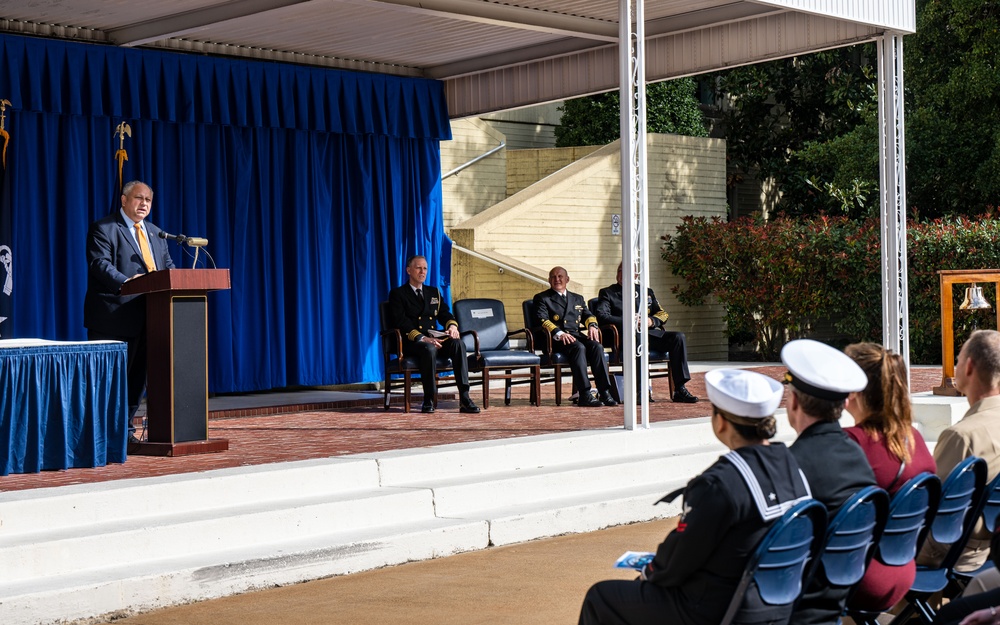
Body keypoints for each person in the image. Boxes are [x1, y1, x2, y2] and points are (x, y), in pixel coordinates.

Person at [577, 368, 812, 625]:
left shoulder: (719, 484)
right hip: (780, 604)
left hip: (719, 610)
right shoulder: (793, 465)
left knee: (600, 597)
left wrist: (648, 572)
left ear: (720, 422)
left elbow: (677, 563)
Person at [781, 338, 878, 625]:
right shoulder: (858, 456)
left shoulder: (789, 466)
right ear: (844, 403)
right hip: (835, 600)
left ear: (794, 401)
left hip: (791, 608)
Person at [842, 342, 936, 612]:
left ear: (855, 389)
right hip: (904, 568)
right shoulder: (914, 438)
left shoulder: (853, 444)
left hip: (859, 577)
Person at [84, 180, 176, 442]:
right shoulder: (104, 228)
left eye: (148, 200)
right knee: (111, 381)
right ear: (124, 200)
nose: (143, 204)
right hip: (114, 318)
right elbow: (100, 264)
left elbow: (167, 269)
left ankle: (124, 431)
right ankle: (100, 436)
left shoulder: (157, 234)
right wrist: (126, 282)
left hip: (150, 317)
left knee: (137, 380)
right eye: (138, 198)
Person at [919, 329, 1000, 573]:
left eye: (958, 359)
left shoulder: (963, 436)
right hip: (991, 542)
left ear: (968, 368)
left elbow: (930, 506)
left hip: (959, 548)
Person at [386, 255, 480, 415]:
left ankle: (465, 397)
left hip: (434, 339)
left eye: (425, 268)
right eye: (418, 268)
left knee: (458, 344)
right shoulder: (398, 294)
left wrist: (451, 326)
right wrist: (423, 338)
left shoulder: (433, 292)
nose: (422, 272)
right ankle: (429, 398)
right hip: (413, 342)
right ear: (409, 270)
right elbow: (401, 322)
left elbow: (445, 314)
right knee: (428, 348)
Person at [595, 262, 697, 403]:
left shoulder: (645, 291)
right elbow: (602, 315)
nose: (622, 274)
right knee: (637, 338)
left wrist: (651, 321)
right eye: (620, 271)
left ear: (636, 275)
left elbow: (663, 313)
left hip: (647, 334)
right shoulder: (608, 292)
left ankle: (680, 388)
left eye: (627, 271)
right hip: (623, 337)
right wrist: (629, 320)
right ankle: (640, 391)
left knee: (678, 337)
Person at [533, 266, 617, 407]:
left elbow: (588, 315)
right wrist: (559, 333)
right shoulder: (542, 298)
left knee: (597, 346)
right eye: (553, 277)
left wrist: (592, 326)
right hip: (554, 339)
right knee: (578, 347)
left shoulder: (577, 298)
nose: (557, 279)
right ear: (549, 280)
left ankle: (605, 392)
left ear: (567, 279)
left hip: (575, 336)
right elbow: (542, 319)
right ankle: (584, 394)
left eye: (560, 276)